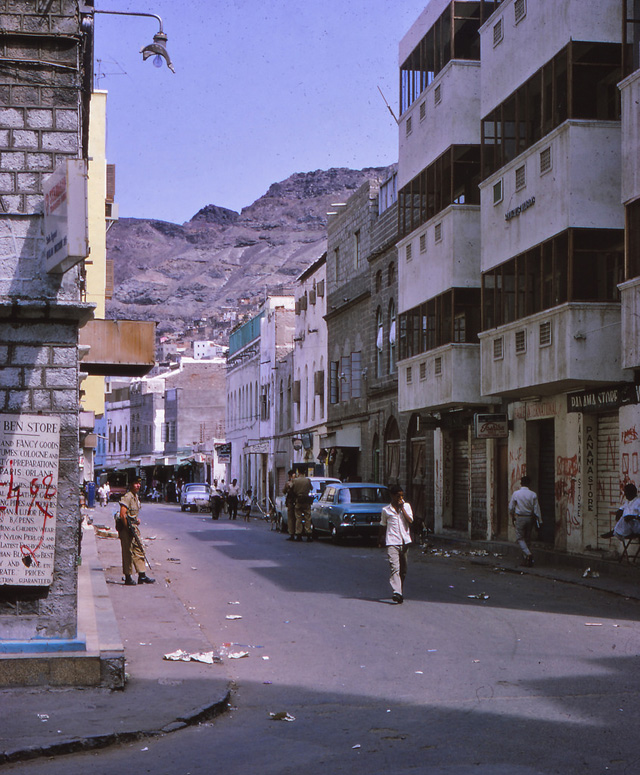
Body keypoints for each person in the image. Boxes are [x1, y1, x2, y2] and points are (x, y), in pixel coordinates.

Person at [116, 476, 155, 586]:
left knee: (139, 549)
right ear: (131, 485)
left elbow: (132, 515)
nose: (138, 485)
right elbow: (122, 515)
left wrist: (136, 521)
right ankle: (128, 577)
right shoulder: (127, 497)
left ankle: (142, 575)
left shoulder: (135, 497)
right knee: (127, 552)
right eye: (135, 483)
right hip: (126, 529)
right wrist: (127, 528)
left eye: (139, 483)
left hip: (133, 528)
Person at [379, 485, 413, 604]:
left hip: (404, 541)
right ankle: (397, 592)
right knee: (395, 568)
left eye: (402, 496)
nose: (400, 498)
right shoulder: (386, 510)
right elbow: (383, 525)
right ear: (392, 496)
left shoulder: (406, 506)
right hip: (392, 542)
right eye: (398, 496)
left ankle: (399, 590)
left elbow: (410, 521)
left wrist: (402, 509)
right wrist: (380, 539)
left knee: (403, 570)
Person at [509, 475, 542, 567]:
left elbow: (511, 507)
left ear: (521, 483)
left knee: (520, 538)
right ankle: (526, 560)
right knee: (527, 538)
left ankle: (528, 554)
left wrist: (512, 515)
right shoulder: (533, 494)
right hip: (530, 518)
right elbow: (536, 509)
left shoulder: (516, 494)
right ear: (529, 484)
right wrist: (539, 521)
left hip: (520, 518)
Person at [290, 470, 313, 541]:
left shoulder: (295, 481)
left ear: (298, 473)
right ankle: (308, 533)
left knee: (298, 517)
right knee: (307, 517)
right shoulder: (307, 480)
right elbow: (311, 488)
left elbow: (291, 488)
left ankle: (298, 534)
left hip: (298, 500)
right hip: (306, 500)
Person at [283, 469, 297, 541]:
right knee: (298, 518)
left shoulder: (288, 483)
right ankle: (298, 533)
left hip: (291, 502)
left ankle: (292, 533)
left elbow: (284, 491)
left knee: (291, 518)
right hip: (298, 501)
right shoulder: (298, 482)